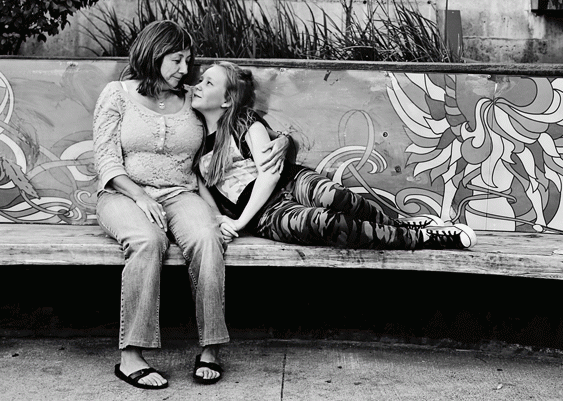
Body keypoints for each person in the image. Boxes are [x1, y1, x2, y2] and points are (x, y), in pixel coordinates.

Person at [92, 22, 288, 389]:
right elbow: (106, 161)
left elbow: (236, 118)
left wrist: (284, 141)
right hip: (122, 194)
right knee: (147, 241)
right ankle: (131, 355)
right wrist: (139, 195)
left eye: (187, 60)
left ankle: (211, 347)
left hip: (182, 193)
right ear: (153, 54)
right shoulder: (116, 95)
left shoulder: (190, 99)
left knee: (207, 237)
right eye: (176, 60)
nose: (185, 70)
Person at [191, 61, 478, 251]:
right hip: (266, 216)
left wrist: (239, 223)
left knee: (336, 198)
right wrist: (221, 220)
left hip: (288, 183)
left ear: (227, 99)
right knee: (325, 223)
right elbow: (204, 189)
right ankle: (424, 238)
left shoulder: (243, 122)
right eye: (200, 81)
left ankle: (402, 223)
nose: (198, 86)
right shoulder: (194, 141)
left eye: (208, 83)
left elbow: (270, 173)